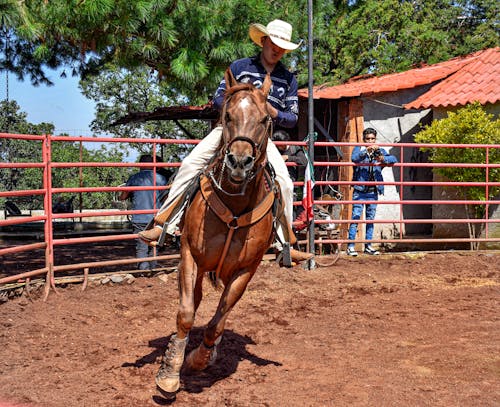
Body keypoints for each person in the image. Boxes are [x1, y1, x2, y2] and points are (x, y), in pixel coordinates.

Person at [139, 19, 313, 263]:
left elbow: (292, 118)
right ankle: (165, 224)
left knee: (284, 181)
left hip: (261, 139)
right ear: (263, 41)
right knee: (190, 164)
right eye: (274, 43)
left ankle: (285, 244)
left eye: (283, 47)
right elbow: (218, 99)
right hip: (228, 131)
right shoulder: (240, 67)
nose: (277, 50)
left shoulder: (288, 79)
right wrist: (239, 102)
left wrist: (272, 111)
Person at [347, 128, 398, 257]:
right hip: (360, 190)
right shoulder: (359, 149)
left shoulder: (379, 151)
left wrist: (382, 158)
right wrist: (366, 151)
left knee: (370, 219)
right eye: (368, 139)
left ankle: (368, 246)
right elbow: (354, 158)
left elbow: (393, 159)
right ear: (364, 140)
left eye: (372, 139)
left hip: (373, 190)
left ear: (375, 139)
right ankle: (350, 246)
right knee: (355, 218)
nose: (370, 141)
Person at [120, 154, 168, 270]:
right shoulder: (161, 179)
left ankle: (143, 270)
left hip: (140, 217)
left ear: (140, 165)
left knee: (142, 245)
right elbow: (167, 198)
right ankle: (153, 268)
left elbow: (123, 196)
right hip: (157, 218)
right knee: (154, 245)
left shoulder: (135, 178)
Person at [271, 129, 307, 219]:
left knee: (291, 206)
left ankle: (292, 229)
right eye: (277, 145)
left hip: (291, 182)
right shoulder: (274, 149)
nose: (280, 147)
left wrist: (288, 157)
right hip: (276, 181)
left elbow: (304, 161)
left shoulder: (295, 148)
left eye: (281, 144)